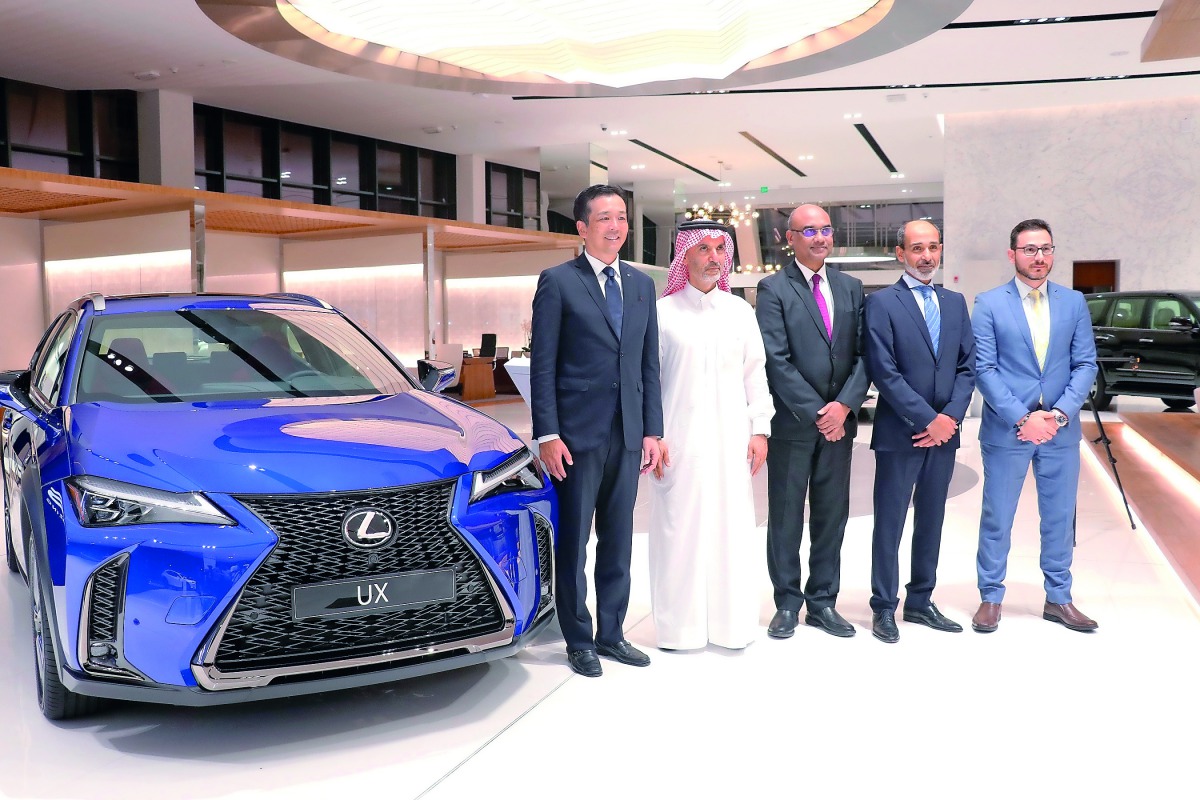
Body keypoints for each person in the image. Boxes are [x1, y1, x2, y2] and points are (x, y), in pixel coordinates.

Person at [530, 184, 664, 677]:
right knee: (575, 543)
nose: (616, 226)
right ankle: (578, 639)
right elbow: (543, 365)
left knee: (619, 539)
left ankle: (612, 633)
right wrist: (547, 433)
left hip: (628, 435)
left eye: (622, 217)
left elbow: (648, 364)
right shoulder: (558, 281)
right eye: (604, 217)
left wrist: (653, 430)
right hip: (575, 437)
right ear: (582, 228)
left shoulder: (642, 284)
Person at [648, 219, 773, 651]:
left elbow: (756, 373)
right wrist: (654, 434)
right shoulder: (661, 313)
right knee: (677, 533)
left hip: (731, 442)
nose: (713, 258)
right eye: (703, 249)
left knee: (731, 533)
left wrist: (761, 430)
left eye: (721, 249)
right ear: (684, 255)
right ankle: (679, 630)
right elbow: (649, 381)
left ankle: (732, 626)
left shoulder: (740, 311)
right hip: (676, 442)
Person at [971, 218, 1099, 634]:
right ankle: (990, 596)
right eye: (1029, 249)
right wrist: (1024, 418)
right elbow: (984, 369)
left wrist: (1058, 415)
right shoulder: (989, 303)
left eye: (1045, 248)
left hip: (1060, 431)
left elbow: (1085, 364)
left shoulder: (1074, 302)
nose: (1039, 257)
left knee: (1060, 518)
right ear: (1013, 255)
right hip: (1009, 429)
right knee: (998, 517)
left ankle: (1059, 598)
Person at [756, 204, 869, 639]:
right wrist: (819, 411)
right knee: (785, 516)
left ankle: (823, 601)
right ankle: (787, 602)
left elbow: (864, 354)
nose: (820, 237)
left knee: (831, 514)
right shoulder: (773, 289)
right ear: (790, 238)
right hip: (793, 425)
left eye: (825, 229)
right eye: (809, 231)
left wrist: (844, 406)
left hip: (840, 425)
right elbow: (775, 359)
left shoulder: (851, 287)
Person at [863, 220, 976, 643]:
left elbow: (968, 366)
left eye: (932, 248)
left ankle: (921, 600)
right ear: (900, 254)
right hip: (901, 434)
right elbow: (883, 371)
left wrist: (950, 419)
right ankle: (883, 606)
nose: (926, 256)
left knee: (932, 519)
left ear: (941, 249)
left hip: (945, 436)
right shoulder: (881, 303)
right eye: (916, 249)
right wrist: (928, 419)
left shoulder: (954, 301)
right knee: (889, 523)